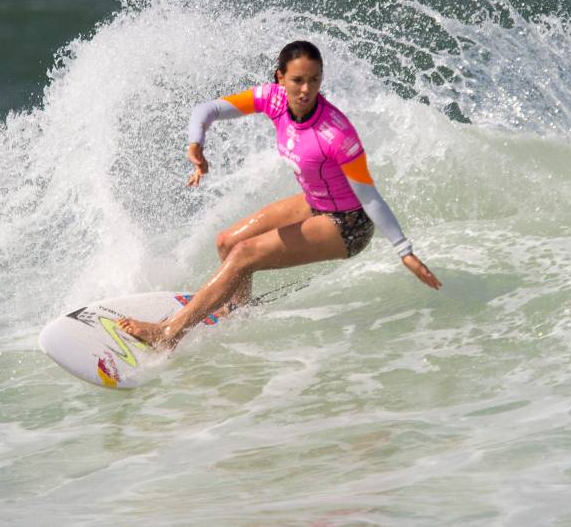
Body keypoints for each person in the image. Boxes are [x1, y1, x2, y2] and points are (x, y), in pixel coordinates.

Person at [118, 41, 441, 347]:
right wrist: (196, 145)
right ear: (280, 78)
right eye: (298, 80)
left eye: (314, 80)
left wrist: (405, 252)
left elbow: (369, 196)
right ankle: (240, 313)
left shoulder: (337, 133)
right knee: (227, 242)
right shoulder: (273, 99)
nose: (306, 89)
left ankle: (169, 332)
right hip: (315, 203)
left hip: (347, 224)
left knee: (244, 254)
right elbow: (208, 109)